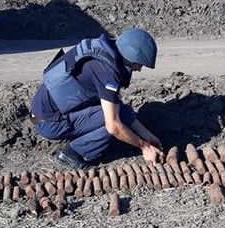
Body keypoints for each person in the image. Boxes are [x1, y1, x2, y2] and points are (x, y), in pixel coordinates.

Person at [31, 28, 164, 169]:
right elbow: (114, 127)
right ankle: (71, 154)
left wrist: (147, 136)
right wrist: (144, 147)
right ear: (130, 59)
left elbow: (117, 103)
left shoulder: (106, 51)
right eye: (139, 64)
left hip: (43, 113)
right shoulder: (107, 73)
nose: (139, 69)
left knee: (120, 111)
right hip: (49, 124)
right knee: (115, 125)